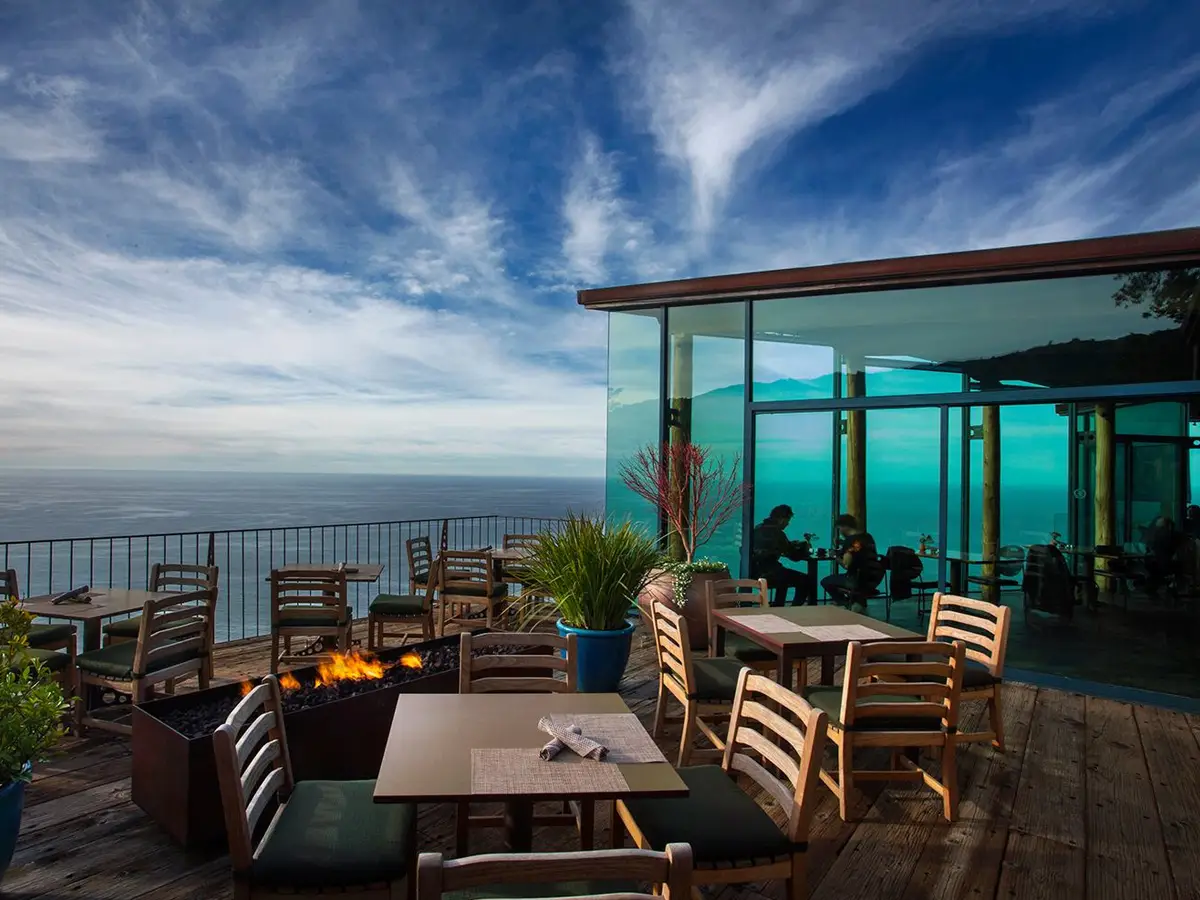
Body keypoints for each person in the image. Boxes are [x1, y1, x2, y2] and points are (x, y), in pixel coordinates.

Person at [820, 513, 885, 614]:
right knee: (856, 582)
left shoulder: (849, 541)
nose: (840, 532)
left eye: (840, 529)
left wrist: (835, 556)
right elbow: (859, 548)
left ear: (844, 526)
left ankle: (846, 604)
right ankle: (857, 602)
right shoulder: (868, 537)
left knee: (825, 582)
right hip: (874, 578)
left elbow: (846, 565)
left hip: (856, 580)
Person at [750, 504, 811, 607]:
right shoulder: (777, 533)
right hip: (770, 573)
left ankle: (778, 604)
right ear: (782, 519)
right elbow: (793, 556)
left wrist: (789, 545)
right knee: (804, 580)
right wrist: (804, 547)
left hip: (754, 572)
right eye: (788, 521)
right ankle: (794, 609)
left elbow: (773, 547)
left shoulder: (758, 528)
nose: (788, 524)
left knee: (783, 574)